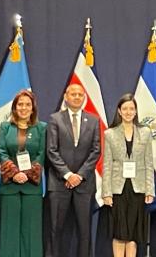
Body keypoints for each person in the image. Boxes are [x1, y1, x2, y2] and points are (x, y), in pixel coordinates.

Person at [47, 83, 101, 257]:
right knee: (56, 228)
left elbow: (96, 151)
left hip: (84, 184)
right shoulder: (55, 119)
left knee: (84, 231)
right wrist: (68, 175)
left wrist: (79, 176)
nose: (77, 97)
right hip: (59, 183)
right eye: (73, 94)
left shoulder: (93, 120)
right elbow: (51, 150)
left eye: (80, 94)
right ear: (66, 97)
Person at [102, 94, 155, 257]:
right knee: (119, 232)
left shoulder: (145, 132)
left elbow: (148, 163)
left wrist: (150, 190)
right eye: (125, 108)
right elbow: (107, 164)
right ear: (119, 111)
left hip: (138, 188)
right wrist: (106, 193)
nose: (128, 112)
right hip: (118, 189)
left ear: (136, 111)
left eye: (131, 108)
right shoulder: (110, 133)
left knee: (133, 234)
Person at [0, 90, 47, 257]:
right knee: (9, 230)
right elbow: (2, 151)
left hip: (32, 187)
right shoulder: (5, 127)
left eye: (28, 104)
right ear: (14, 107)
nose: (24, 108)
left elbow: (41, 154)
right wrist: (14, 173)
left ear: (33, 108)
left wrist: (27, 174)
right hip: (10, 187)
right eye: (20, 104)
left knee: (31, 231)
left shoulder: (42, 128)